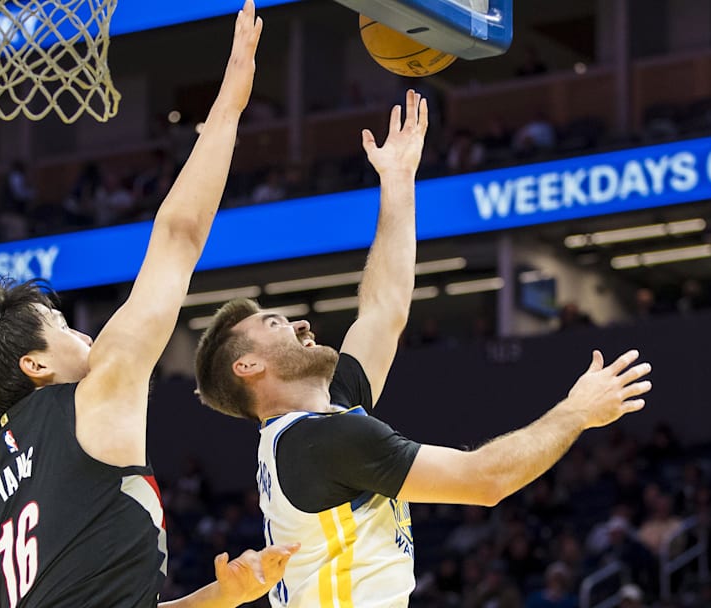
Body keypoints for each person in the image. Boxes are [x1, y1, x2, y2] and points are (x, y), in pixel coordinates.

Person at [193, 94, 653, 607]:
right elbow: (487, 480)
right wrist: (577, 412)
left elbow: (383, 310)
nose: (301, 323)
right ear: (248, 366)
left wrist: (398, 183)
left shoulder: (319, 422)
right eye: (276, 324)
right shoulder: (326, 439)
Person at [0, 3, 296, 607]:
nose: (87, 339)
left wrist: (223, 597)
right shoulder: (96, 393)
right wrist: (229, 105)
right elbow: (178, 236)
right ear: (35, 365)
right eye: (63, 326)